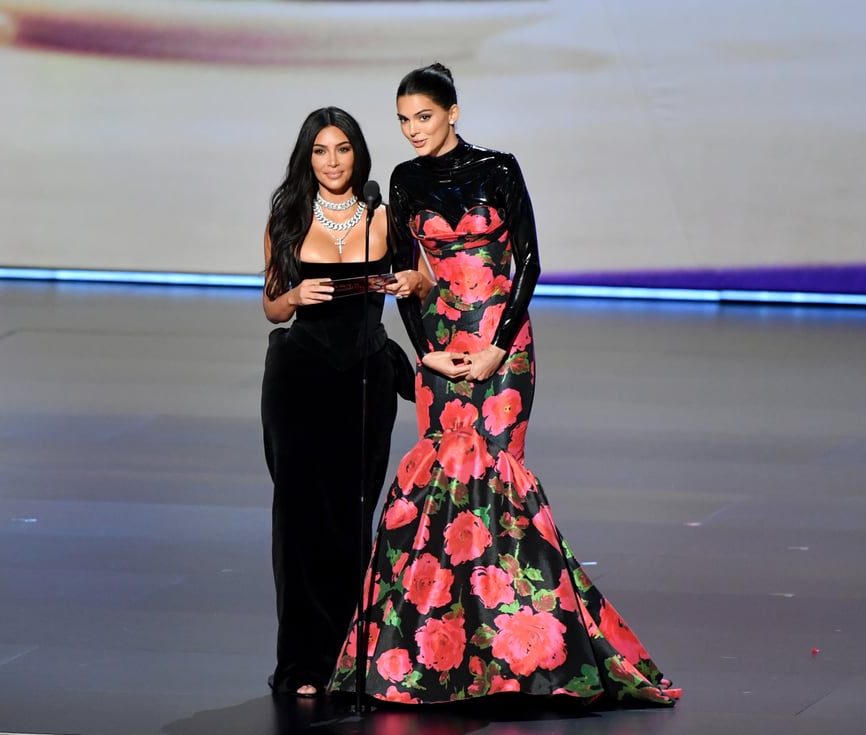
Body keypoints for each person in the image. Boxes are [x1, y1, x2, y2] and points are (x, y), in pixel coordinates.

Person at [328, 65, 681, 707]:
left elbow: (530, 262)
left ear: (454, 113)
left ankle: (521, 654)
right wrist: (429, 354)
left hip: (501, 339)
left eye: (424, 117)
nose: (413, 131)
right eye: (404, 120)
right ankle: (436, 657)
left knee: (498, 479)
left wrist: (495, 346)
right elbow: (402, 273)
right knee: (440, 486)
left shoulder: (499, 168)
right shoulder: (405, 182)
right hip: (443, 343)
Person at [261, 106, 432, 698]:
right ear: (307, 157)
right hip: (300, 378)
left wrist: (410, 281)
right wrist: (295, 294)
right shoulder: (288, 215)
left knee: (353, 517)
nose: (332, 162)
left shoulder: (383, 217)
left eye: (342, 150)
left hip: (364, 378)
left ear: (358, 154)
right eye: (320, 151)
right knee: (301, 518)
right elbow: (272, 306)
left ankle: (349, 657)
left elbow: (424, 278)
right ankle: (303, 663)